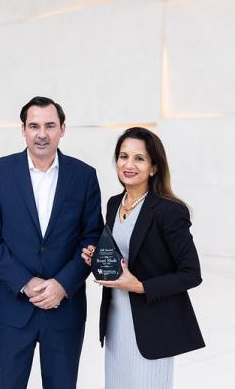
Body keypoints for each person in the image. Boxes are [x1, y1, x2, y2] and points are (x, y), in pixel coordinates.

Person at [0, 96, 103, 388]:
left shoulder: (84, 176)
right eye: (34, 126)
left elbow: (91, 235)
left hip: (64, 307)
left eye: (49, 125)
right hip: (13, 305)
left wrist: (63, 284)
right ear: (23, 130)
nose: (41, 133)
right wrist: (25, 281)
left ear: (62, 129)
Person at [81, 127, 205, 389]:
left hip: (153, 327)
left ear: (154, 167)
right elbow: (121, 261)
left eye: (139, 158)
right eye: (123, 156)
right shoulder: (114, 203)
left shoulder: (169, 210)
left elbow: (192, 273)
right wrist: (97, 260)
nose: (129, 164)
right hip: (116, 323)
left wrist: (139, 286)